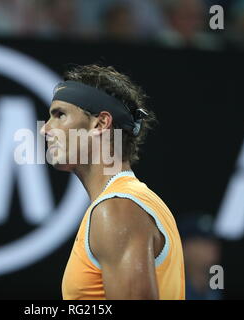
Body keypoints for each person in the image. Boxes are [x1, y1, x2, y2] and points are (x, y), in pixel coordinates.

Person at [40, 64, 185, 300]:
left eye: (60, 115)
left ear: (100, 123)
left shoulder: (117, 208)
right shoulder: (128, 202)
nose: (45, 129)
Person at [178, 213, 222, 300]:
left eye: (214, 241)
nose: (212, 247)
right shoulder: (170, 289)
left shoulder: (215, 288)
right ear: (184, 247)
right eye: (203, 242)